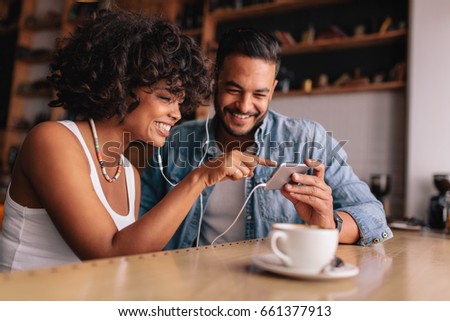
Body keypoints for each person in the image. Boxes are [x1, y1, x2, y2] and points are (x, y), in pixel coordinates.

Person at [0, 11, 275, 272]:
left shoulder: (128, 174)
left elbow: (129, 260)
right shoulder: (52, 140)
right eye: (166, 98)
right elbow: (109, 254)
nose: (177, 113)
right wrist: (201, 177)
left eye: (180, 102)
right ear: (121, 85)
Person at [139, 28, 393, 249]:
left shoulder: (308, 139)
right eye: (233, 90)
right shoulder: (178, 139)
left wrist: (330, 225)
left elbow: (373, 214)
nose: (244, 106)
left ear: (273, 89)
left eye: (259, 94)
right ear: (215, 80)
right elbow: (138, 219)